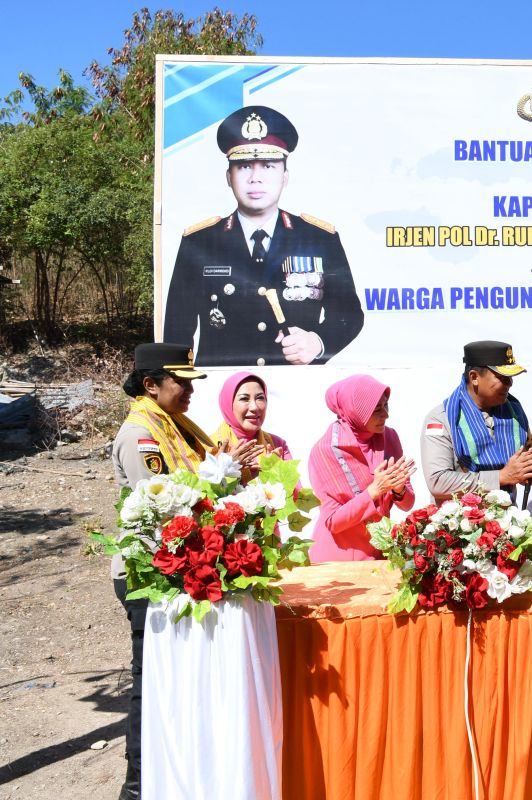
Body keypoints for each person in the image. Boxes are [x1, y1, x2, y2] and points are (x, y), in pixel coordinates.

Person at [109, 343, 258, 800]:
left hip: (179, 570)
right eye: (181, 382)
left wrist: (232, 475)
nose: (190, 390)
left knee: (177, 680)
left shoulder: (177, 426)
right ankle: (137, 786)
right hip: (148, 573)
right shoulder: (142, 435)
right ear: (150, 385)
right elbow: (164, 502)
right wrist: (224, 475)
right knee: (150, 681)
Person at [163, 105, 364, 367]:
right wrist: (177, 385)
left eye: (268, 166)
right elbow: (177, 331)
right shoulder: (200, 243)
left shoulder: (319, 239)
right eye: (244, 166)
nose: (255, 178)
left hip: (296, 384)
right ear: (229, 177)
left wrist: (318, 342)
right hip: (223, 386)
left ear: (285, 176)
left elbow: (349, 314)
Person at [420, 341, 532, 504]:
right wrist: (501, 477)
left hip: (509, 517)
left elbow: (525, 465)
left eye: (510, 377)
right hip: (459, 519)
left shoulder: (514, 412)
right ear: (474, 377)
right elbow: (438, 482)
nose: (510, 383)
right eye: (502, 377)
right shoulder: (441, 419)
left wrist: (530, 470)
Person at [308, 375, 416, 562]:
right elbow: (333, 522)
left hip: (380, 554)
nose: (386, 415)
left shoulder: (389, 437)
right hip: (339, 560)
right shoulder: (326, 451)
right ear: (356, 411)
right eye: (377, 409)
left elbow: (407, 504)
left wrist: (399, 490)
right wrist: (374, 491)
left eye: (386, 405)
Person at [211, 371, 294, 479]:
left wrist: (274, 473)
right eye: (244, 399)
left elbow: (296, 488)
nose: (254, 407)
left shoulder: (277, 445)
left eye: (260, 398)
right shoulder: (209, 447)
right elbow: (200, 488)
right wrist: (223, 467)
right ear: (228, 404)